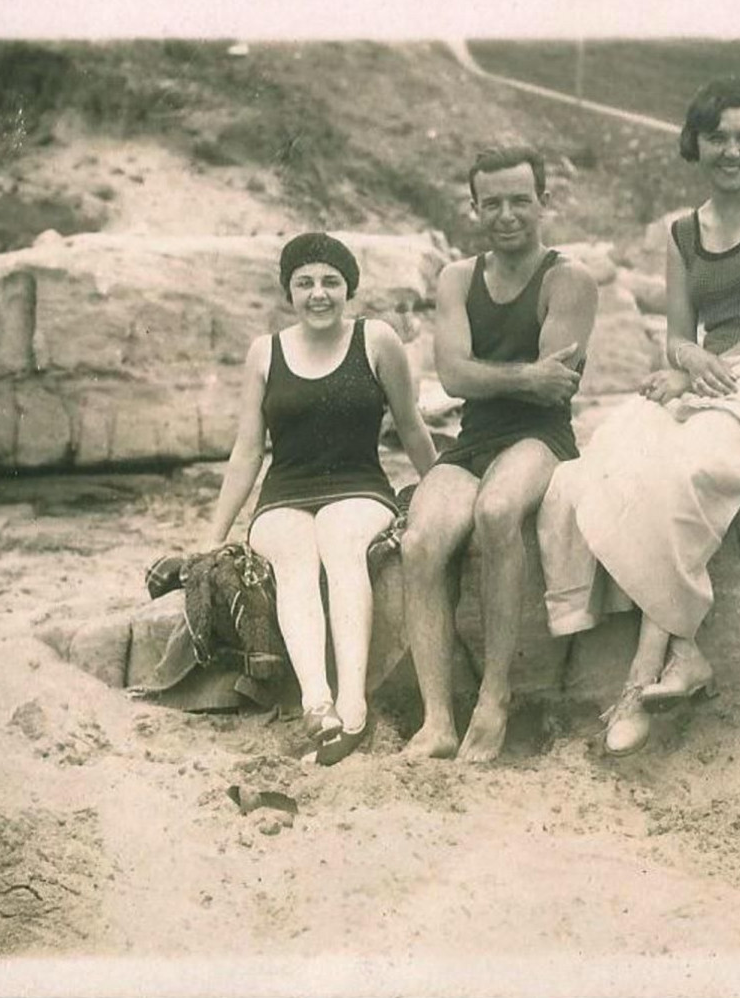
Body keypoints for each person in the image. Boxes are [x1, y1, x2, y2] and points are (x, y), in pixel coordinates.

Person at [537, 77, 740, 756]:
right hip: (708, 377)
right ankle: (686, 651)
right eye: (717, 137)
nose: (731, 150)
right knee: (610, 450)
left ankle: (642, 675)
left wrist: (705, 365)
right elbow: (677, 332)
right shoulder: (680, 233)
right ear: (693, 144)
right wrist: (683, 361)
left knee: (692, 463)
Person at [204, 232, 438, 765]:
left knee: (339, 538)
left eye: (331, 282)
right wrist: (212, 536)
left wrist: (445, 486)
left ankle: (353, 704)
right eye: (304, 282)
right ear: (288, 291)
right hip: (284, 492)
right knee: (292, 554)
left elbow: (411, 427)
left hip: (359, 487)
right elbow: (247, 451)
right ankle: (318, 703)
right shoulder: (265, 352)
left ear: (348, 288)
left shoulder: (376, 340)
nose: (318, 293)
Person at [400, 145, 599, 763]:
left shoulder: (570, 279)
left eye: (520, 200)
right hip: (475, 437)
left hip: (544, 438)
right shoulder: (456, 278)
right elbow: (454, 379)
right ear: (475, 207)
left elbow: (555, 387)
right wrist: (521, 375)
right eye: (493, 203)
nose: (507, 214)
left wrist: (494, 374)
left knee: (497, 511)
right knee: (420, 542)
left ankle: (494, 696)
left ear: (544, 201)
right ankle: (437, 720)